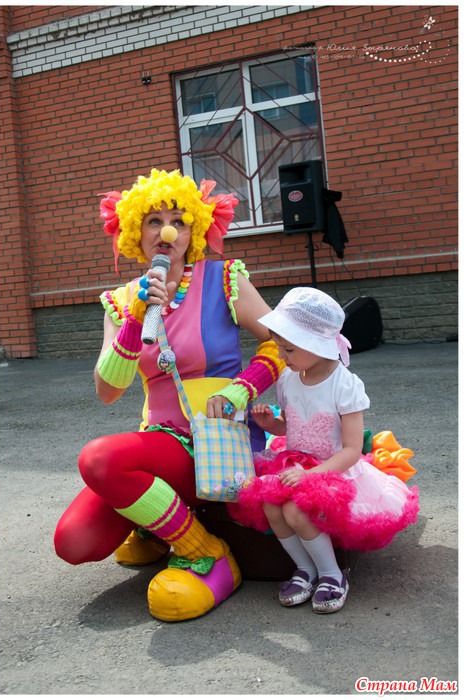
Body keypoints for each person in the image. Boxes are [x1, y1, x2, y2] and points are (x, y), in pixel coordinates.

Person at [54, 169, 286, 622]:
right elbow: (107, 391)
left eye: (179, 221)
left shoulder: (224, 278)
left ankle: (205, 552)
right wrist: (136, 317)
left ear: (193, 232)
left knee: (100, 459)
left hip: (218, 441)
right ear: (134, 233)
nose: (167, 232)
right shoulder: (121, 301)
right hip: (161, 442)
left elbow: (282, 343)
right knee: (74, 542)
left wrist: (242, 389)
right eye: (154, 221)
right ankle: (166, 524)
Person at [228, 287, 420, 614]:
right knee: (272, 505)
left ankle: (332, 574)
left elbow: (351, 449)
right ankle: (305, 569)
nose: (282, 356)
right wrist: (271, 424)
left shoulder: (343, 384)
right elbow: (290, 426)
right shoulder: (289, 379)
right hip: (292, 463)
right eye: (279, 347)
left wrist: (312, 474)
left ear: (316, 344)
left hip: (332, 469)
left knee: (296, 511)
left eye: (289, 349)